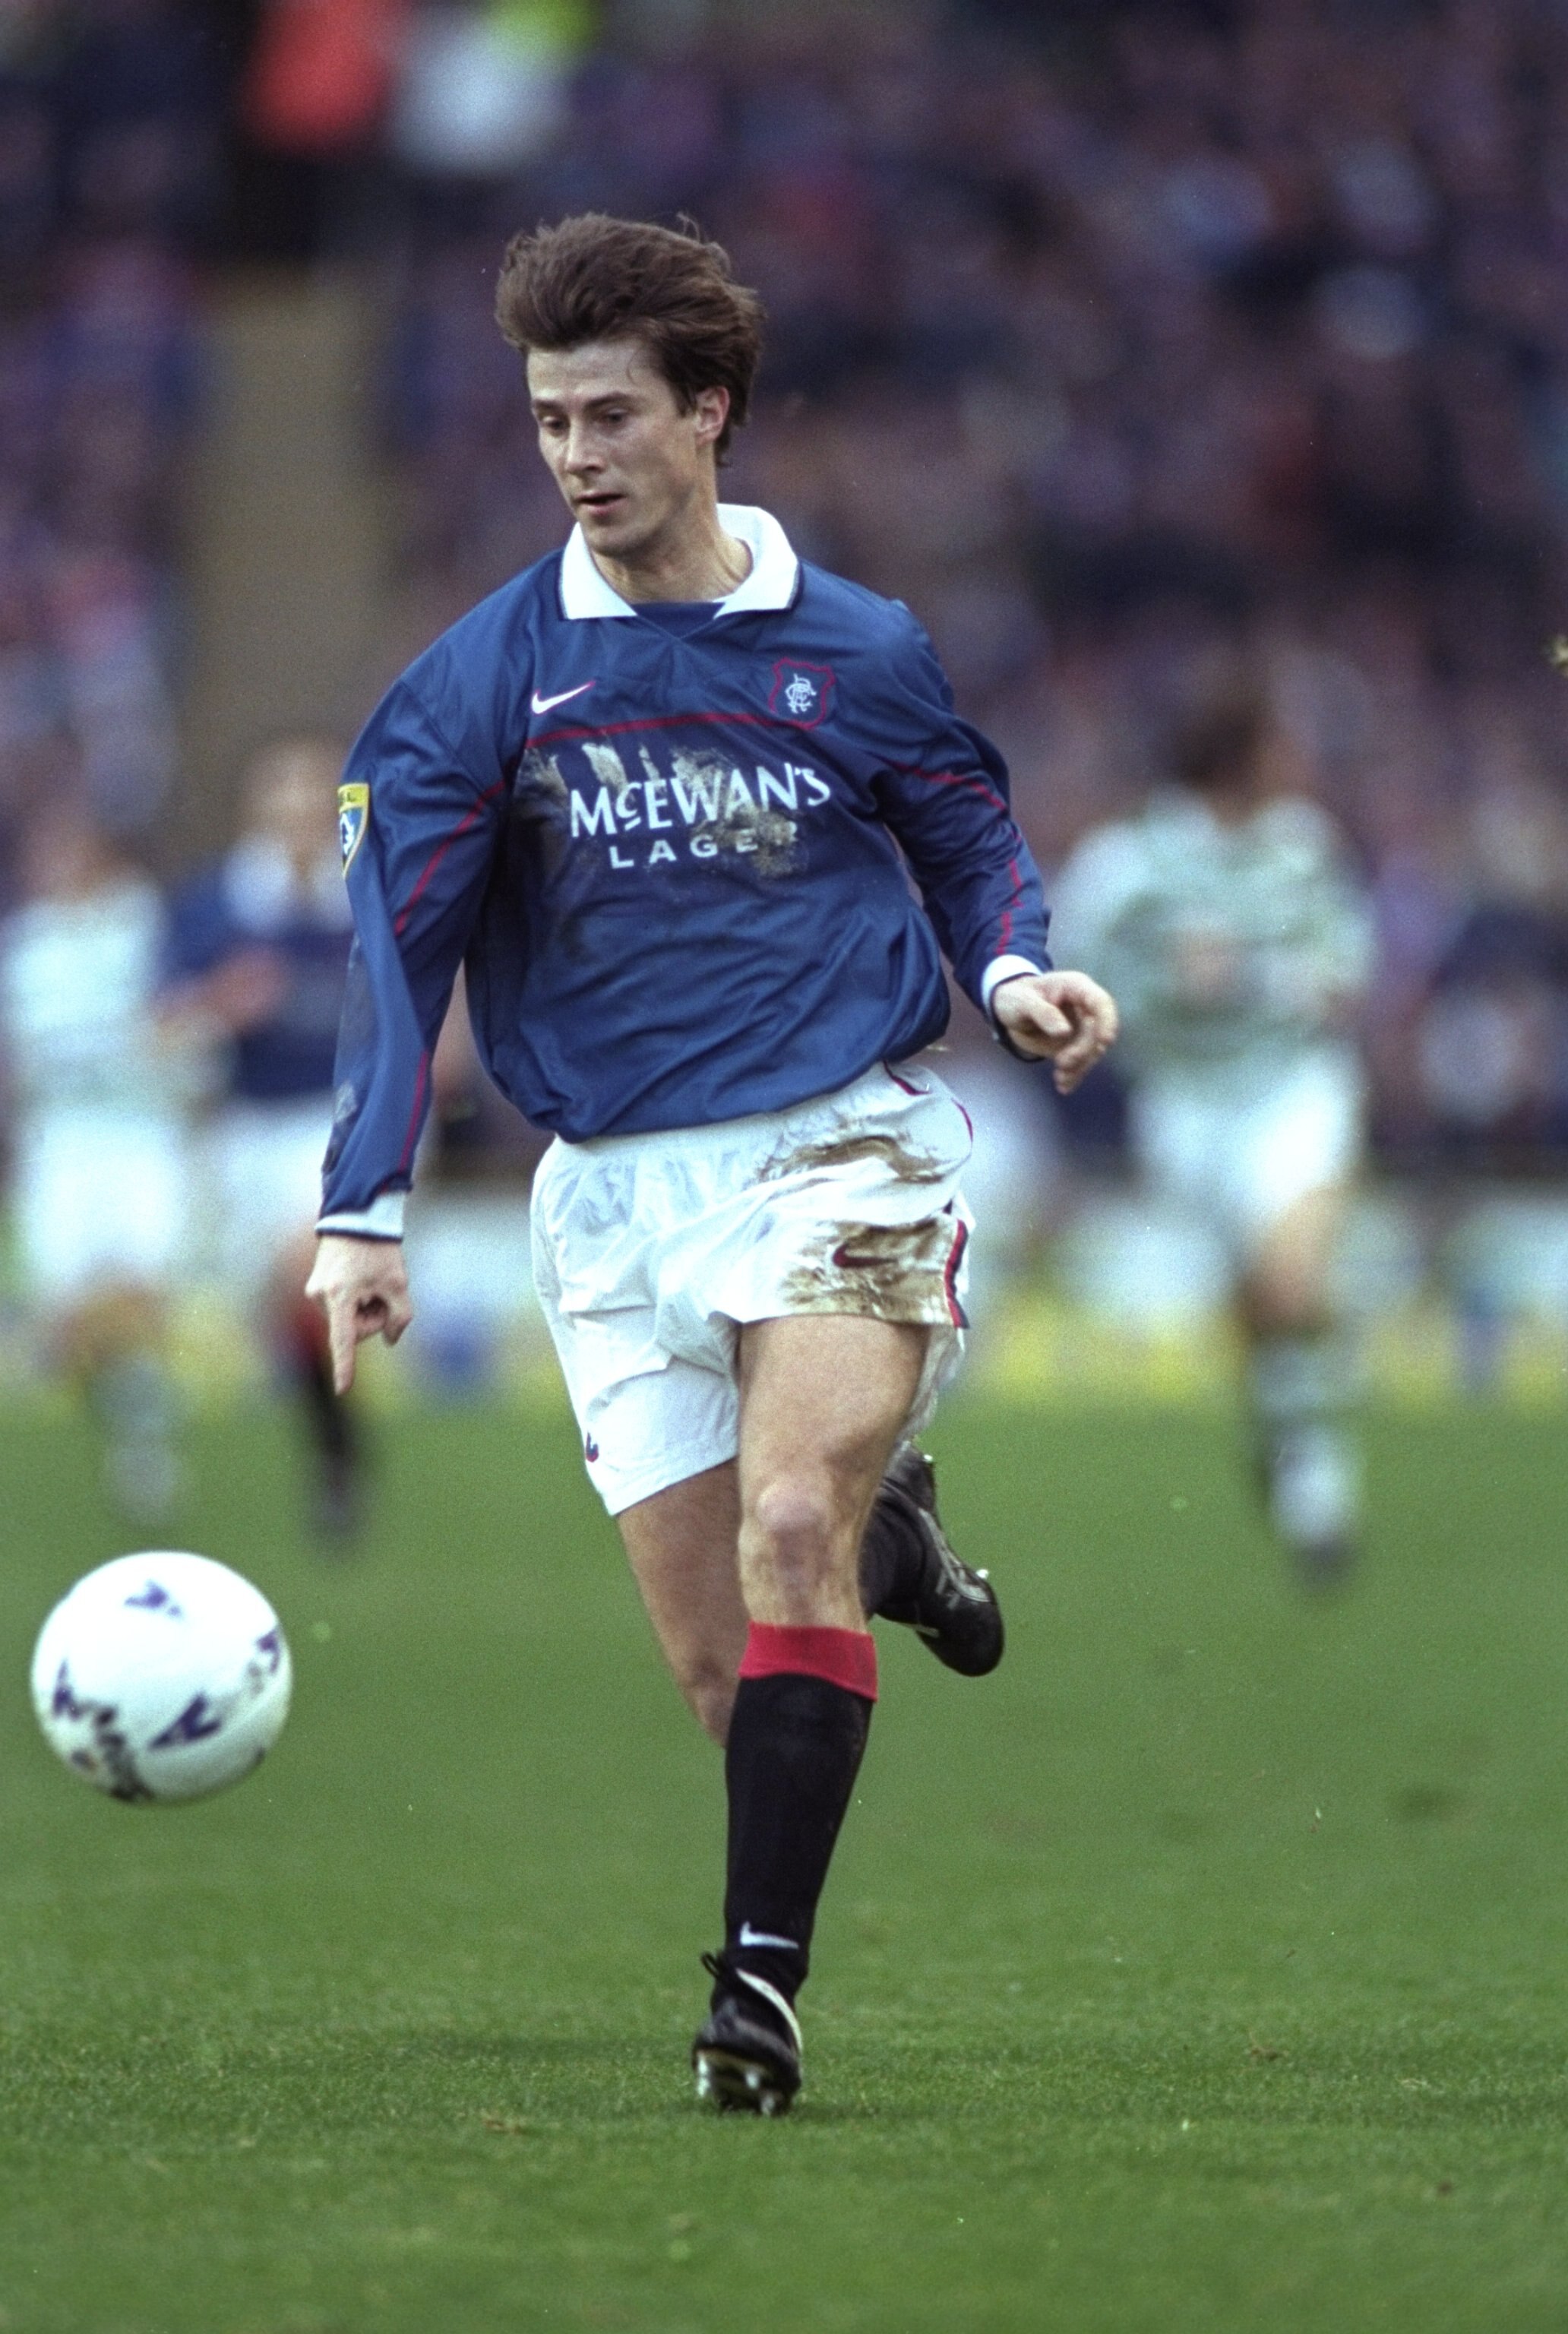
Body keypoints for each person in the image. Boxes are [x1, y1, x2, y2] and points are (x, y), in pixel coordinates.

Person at [306, 214, 1117, 2114]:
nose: (574, 454)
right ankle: (890, 1536)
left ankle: (753, 1988)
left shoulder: (858, 648)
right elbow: (392, 953)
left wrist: (1011, 971)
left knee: (780, 1532)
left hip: (843, 1146)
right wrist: (361, 1207)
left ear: (707, 414)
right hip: (608, 1197)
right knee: (718, 1666)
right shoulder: (472, 688)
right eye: (545, 422)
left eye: (607, 414)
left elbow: (964, 830)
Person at [1050, 642, 1374, 1583]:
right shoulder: (1131, 862)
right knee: (1259, 1308)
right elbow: (1071, 981)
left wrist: (1261, 977)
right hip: (1189, 1104)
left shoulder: (1303, 847)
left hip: (1293, 1090)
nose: (1296, 759)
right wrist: (1165, 985)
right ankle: (1287, 1437)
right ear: (1240, 753)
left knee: (1293, 1281)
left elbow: (1348, 971)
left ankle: (1319, 1485)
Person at [166, 735, 363, 1537]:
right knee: (282, 1302)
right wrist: (219, 1003)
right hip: (246, 1124)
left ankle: (337, 1450)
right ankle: (334, 1446)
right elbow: (162, 1021)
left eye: (313, 801)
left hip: (344, 1112)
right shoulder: (214, 904)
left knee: (304, 1262)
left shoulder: (367, 890)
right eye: (283, 800)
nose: (298, 818)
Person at [0, 806, 201, 1517]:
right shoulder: (23, 945)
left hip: (139, 1132)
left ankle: (140, 1437)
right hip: (61, 1141)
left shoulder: (142, 926)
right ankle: (134, 1412)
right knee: (64, 1315)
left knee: (138, 1287)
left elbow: (183, 1016)